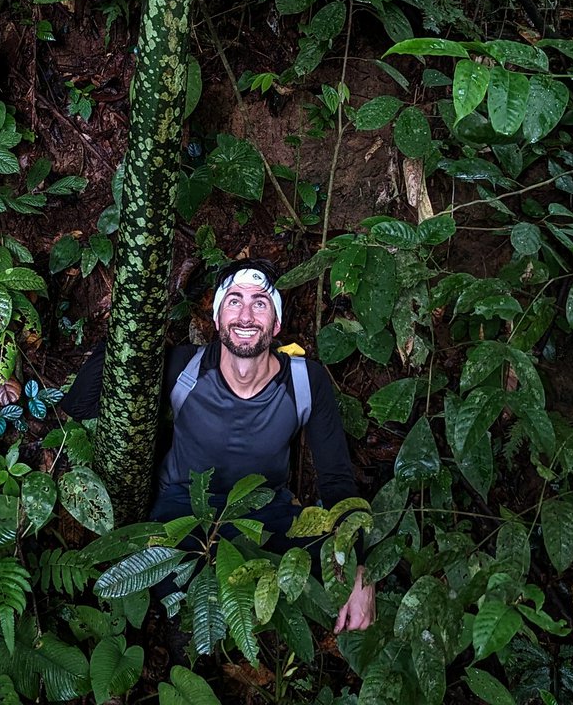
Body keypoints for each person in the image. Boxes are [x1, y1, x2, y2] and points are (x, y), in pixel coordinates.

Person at [62, 258, 375, 633]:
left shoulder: (304, 381)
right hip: (182, 515)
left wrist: (359, 570)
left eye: (260, 302)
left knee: (330, 581)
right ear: (216, 318)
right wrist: (134, 329)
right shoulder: (185, 369)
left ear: (276, 323)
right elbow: (80, 405)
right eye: (234, 301)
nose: (245, 315)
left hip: (267, 514)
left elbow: (337, 479)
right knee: (168, 600)